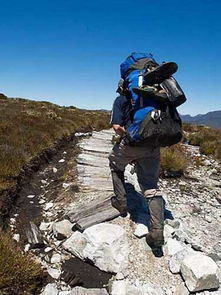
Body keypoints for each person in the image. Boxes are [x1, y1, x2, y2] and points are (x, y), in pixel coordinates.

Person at [108, 94, 165, 249]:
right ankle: (157, 232)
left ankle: (121, 202)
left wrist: (129, 136)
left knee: (115, 164)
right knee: (150, 184)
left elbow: (117, 127)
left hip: (130, 144)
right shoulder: (156, 97)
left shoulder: (121, 99)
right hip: (153, 147)